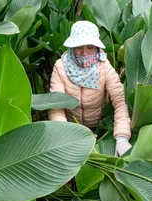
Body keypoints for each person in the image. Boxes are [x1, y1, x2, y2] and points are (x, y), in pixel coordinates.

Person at [48, 21, 132, 156]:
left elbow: (120, 102)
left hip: (101, 128)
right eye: (79, 46)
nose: (84, 52)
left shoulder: (104, 66)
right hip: (70, 128)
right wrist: (66, 137)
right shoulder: (61, 67)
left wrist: (122, 137)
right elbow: (56, 107)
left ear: (97, 48)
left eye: (90, 47)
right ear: (72, 47)